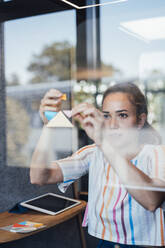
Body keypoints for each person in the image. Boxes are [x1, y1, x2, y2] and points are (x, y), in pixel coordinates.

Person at [30, 83, 165, 247]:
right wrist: (48, 125)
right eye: (107, 116)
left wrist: (103, 142)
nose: (113, 124)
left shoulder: (158, 154)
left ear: (140, 120)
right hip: (104, 243)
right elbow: (39, 176)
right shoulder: (93, 153)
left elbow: (151, 201)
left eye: (122, 115)